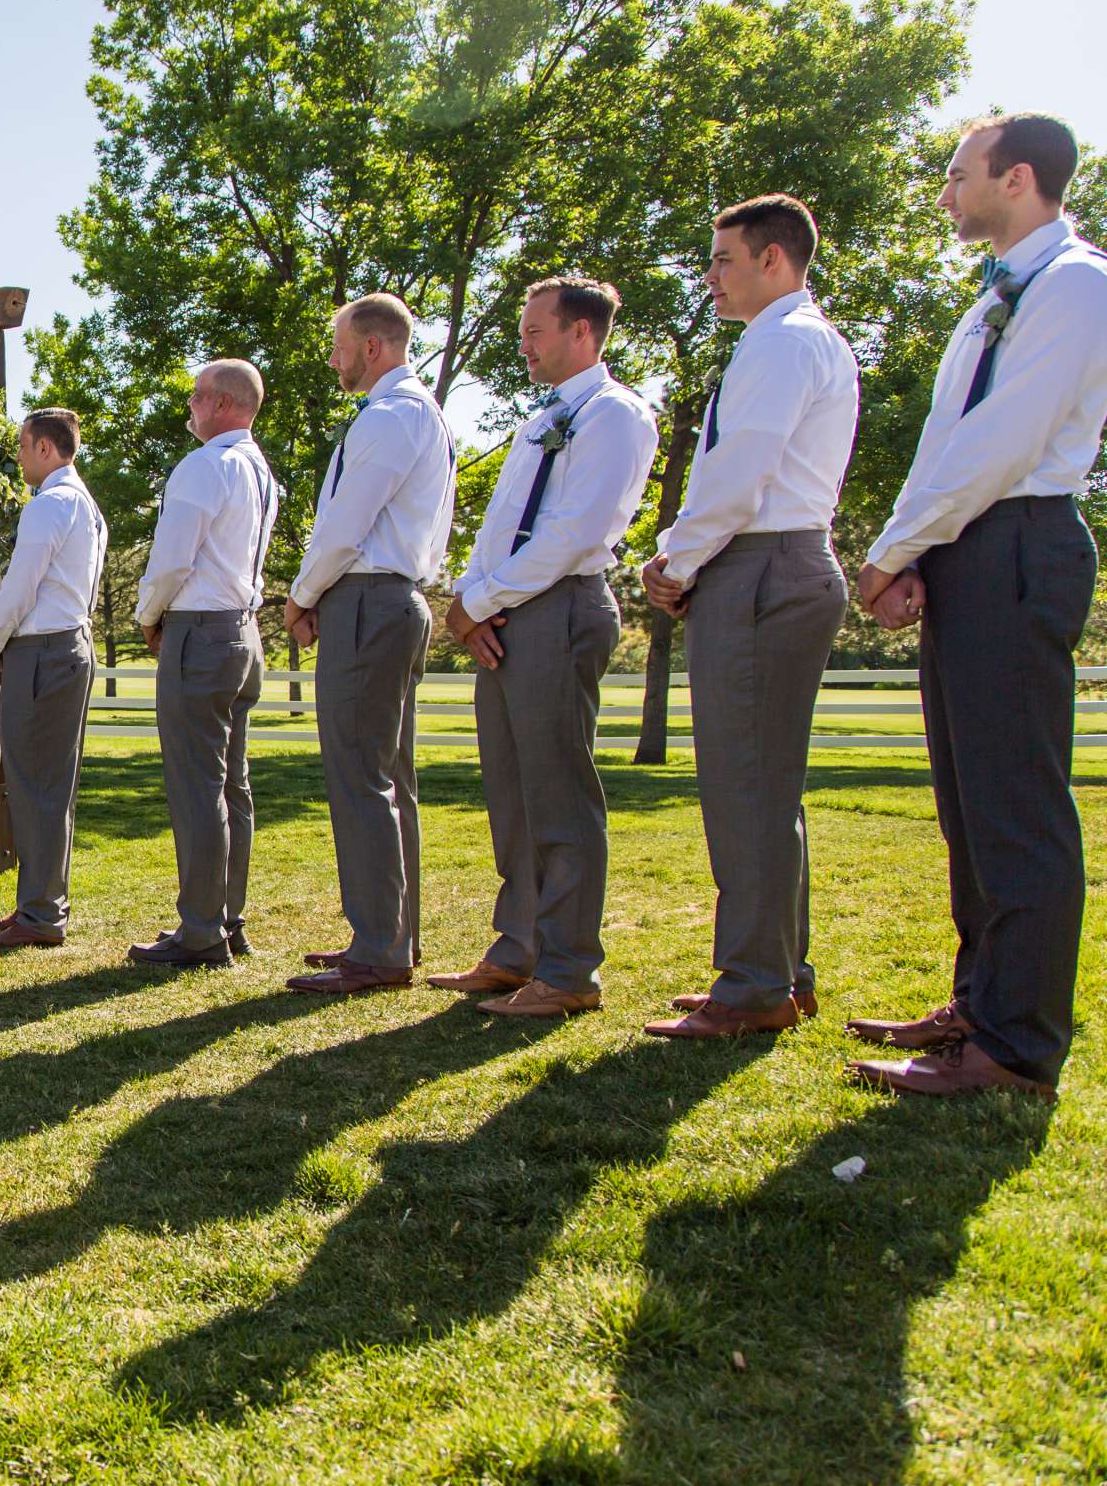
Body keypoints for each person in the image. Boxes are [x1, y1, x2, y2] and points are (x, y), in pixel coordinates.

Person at [848, 114, 1104, 1101]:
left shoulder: (1076, 283)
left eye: (960, 176)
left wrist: (891, 552)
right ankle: (980, 1004)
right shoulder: (999, 292)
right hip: (971, 544)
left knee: (1017, 808)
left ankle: (1017, 1046)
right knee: (970, 805)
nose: (946, 195)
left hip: (1019, 540)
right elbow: (947, 441)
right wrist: (914, 547)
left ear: (1021, 177)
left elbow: (1003, 441)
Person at [639, 194, 858, 1040]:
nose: (712, 278)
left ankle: (755, 984)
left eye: (724, 260)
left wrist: (676, 559)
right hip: (773, 558)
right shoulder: (800, 340)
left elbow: (742, 476)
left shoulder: (782, 342)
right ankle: (779, 971)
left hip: (763, 563)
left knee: (744, 786)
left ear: (774, 259)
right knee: (767, 788)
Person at [430, 278, 656, 1018]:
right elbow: (503, 526)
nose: (523, 344)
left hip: (556, 609)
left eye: (535, 331)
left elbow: (572, 535)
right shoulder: (544, 417)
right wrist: (469, 601)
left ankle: (569, 970)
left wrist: (481, 602)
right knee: (514, 796)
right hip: (506, 613)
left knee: (559, 796)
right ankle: (517, 947)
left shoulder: (614, 415)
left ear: (582, 332)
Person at [280, 294, 455, 997]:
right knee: (389, 777)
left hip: (367, 599)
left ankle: (379, 946)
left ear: (374, 347)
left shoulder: (389, 416)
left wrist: (303, 593)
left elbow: (346, 525)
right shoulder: (425, 415)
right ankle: (390, 935)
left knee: (360, 776)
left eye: (339, 344)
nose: (332, 357)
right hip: (395, 597)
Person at [127, 358, 277, 969]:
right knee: (231, 786)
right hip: (244, 631)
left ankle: (200, 932)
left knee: (197, 789)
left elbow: (171, 560)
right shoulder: (259, 470)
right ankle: (226, 917)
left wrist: (147, 614)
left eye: (194, 397)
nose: (188, 407)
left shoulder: (206, 465)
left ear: (220, 402)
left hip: (201, 632)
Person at [0, 408, 106, 948]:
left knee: (36, 784)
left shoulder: (51, 503)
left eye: (24, 447)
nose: (21, 457)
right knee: (47, 785)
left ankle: (42, 915)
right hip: (65, 645)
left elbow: (22, 584)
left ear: (45, 448)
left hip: (44, 651)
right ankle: (38, 904)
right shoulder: (86, 505)